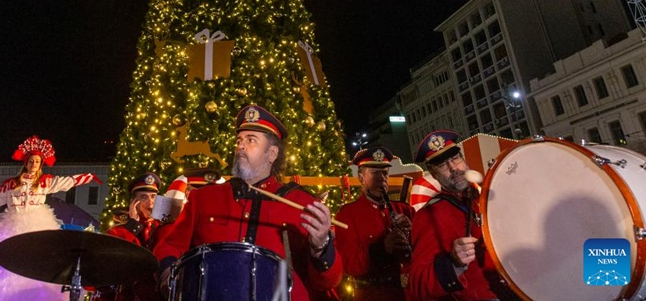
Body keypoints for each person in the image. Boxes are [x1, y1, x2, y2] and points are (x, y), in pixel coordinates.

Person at [153, 104, 343, 301]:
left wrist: (322, 247)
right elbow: (169, 246)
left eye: (251, 140)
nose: (241, 146)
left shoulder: (303, 203)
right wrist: (167, 274)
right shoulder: (204, 198)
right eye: (239, 140)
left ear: (272, 153)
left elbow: (328, 282)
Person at [0, 135, 100, 300]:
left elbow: (66, 182)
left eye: (37, 161)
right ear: (26, 163)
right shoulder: (11, 184)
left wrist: (88, 177)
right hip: (11, 227)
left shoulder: (44, 182)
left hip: (37, 226)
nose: (33, 164)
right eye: (31, 161)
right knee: (4, 265)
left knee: (39, 264)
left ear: (40, 164)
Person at [406, 131, 515, 301]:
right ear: (433, 174)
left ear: (463, 159)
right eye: (442, 165)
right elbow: (417, 284)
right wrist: (453, 262)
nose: (453, 168)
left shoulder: (488, 196)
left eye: (455, 159)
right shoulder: (430, 215)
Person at [334, 146, 414, 300]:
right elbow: (349, 264)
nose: (381, 179)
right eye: (375, 173)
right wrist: (383, 248)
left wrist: (412, 235)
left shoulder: (405, 210)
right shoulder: (347, 214)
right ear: (361, 177)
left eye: (385, 173)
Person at [106, 172, 162, 249]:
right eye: (144, 197)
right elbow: (114, 250)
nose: (150, 203)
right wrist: (133, 225)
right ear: (133, 202)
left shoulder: (163, 227)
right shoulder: (117, 231)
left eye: (153, 197)